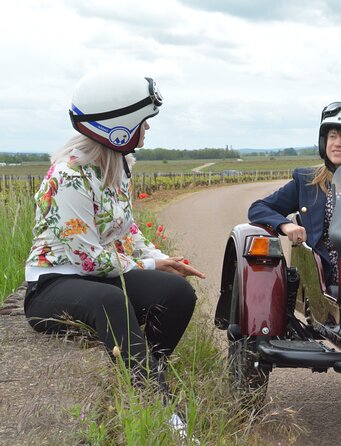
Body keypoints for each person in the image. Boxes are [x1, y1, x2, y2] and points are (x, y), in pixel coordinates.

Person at [23, 71, 206, 400]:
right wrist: (148, 266)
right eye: (143, 122)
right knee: (111, 302)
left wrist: (161, 259)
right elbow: (88, 260)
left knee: (178, 293)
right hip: (53, 283)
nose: (147, 128)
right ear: (118, 128)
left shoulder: (118, 165)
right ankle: (157, 401)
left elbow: (127, 231)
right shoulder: (70, 176)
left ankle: (146, 374)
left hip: (99, 278)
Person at [248, 101, 341, 285]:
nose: (337, 143)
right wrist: (286, 225)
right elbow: (258, 208)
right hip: (331, 277)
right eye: (332, 136)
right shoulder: (308, 180)